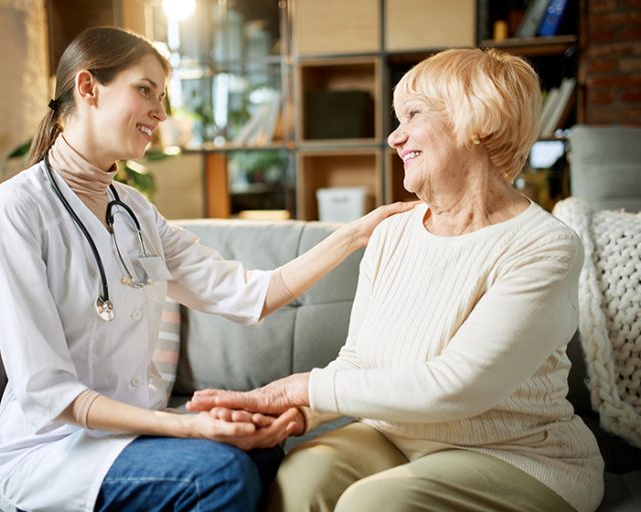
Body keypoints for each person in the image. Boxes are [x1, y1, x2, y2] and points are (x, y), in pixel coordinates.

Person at [0, 26, 413, 512]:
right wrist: (188, 424)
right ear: (87, 88)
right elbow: (47, 393)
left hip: (131, 435)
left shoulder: (135, 211)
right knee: (220, 475)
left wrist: (354, 234)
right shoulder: (17, 209)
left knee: (264, 447)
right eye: (145, 90)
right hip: (53, 451)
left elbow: (251, 293)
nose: (161, 113)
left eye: (162, 96)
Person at [188, 48, 605, 512]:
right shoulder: (392, 233)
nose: (393, 137)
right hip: (395, 436)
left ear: (480, 120)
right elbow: (358, 360)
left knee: (376, 503)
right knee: (303, 475)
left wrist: (304, 388)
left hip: (517, 455)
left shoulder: (543, 246)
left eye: (412, 114)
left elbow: (458, 386)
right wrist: (295, 415)